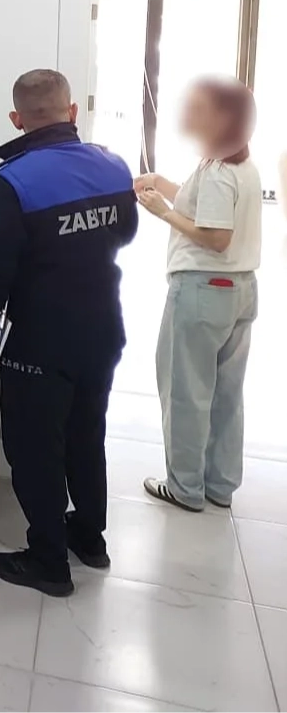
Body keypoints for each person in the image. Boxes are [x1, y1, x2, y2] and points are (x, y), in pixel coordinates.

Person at [0, 69, 137, 597]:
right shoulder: (113, 166)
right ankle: (89, 537)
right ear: (72, 111)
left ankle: (48, 562)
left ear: (16, 119)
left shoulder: (12, 181)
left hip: (41, 338)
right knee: (86, 434)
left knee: (36, 446)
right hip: (103, 328)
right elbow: (127, 233)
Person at [135, 77, 260, 512]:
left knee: (186, 391)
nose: (190, 114)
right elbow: (202, 204)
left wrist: (163, 213)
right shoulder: (237, 165)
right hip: (239, 291)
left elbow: (216, 237)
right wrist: (162, 183)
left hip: (203, 288)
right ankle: (220, 486)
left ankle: (185, 488)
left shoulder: (220, 172)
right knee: (227, 395)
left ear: (225, 119)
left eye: (200, 108)